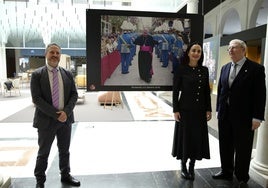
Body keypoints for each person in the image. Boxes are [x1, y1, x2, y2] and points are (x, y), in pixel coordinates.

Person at [212, 39, 266, 187]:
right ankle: (226, 171)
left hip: (245, 117)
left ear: (243, 50)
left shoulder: (256, 69)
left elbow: (260, 96)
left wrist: (257, 117)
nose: (230, 50)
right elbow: (223, 91)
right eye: (229, 48)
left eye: (234, 48)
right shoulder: (224, 68)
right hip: (225, 115)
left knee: (243, 147)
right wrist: (218, 109)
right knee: (225, 144)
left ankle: (242, 176)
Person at [30, 43, 80, 188]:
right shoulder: (37, 74)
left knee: (64, 151)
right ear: (46, 54)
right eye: (52, 52)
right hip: (46, 121)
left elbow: (74, 95)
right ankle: (40, 181)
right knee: (43, 153)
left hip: (65, 120)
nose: (55, 55)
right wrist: (56, 114)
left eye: (57, 53)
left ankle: (65, 175)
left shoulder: (67, 74)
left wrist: (66, 112)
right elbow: (36, 98)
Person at [172, 42, 212, 180]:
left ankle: (192, 166)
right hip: (185, 110)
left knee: (196, 138)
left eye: (199, 51)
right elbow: (175, 91)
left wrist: (208, 109)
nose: (196, 53)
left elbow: (207, 91)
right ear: (188, 52)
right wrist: (175, 109)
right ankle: (183, 165)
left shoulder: (204, 70)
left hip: (200, 111)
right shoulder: (181, 69)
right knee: (185, 138)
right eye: (194, 50)